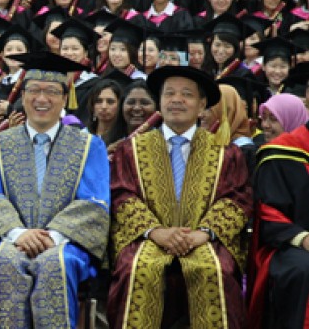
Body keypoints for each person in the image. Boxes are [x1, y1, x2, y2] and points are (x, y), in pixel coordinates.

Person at [0, 52, 110, 328]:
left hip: (65, 243)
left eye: (51, 91)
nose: (41, 99)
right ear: (22, 95)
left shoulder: (88, 146)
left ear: (65, 97)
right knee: (2, 263)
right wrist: (19, 234)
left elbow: (94, 202)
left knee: (54, 264)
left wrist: (52, 237)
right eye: (33, 90)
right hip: (9, 240)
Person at [108, 66, 252, 328]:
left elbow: (237, 199)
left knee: (215, 270)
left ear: (201, 106)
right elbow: (121, 194)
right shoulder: (131, 149)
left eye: (187, 94)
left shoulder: (225, 152)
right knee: (137, 269)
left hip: (203, 238)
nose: (177, 100)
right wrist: (155, 231)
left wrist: (204, 233)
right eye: (169, 93)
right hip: (147, 238)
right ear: (160, 103)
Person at [251, 75, 309, 328]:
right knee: (301, 268)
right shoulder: (280, 152)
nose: (266, 125)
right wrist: (303, 239)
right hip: (290, 243)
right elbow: (268, 211)